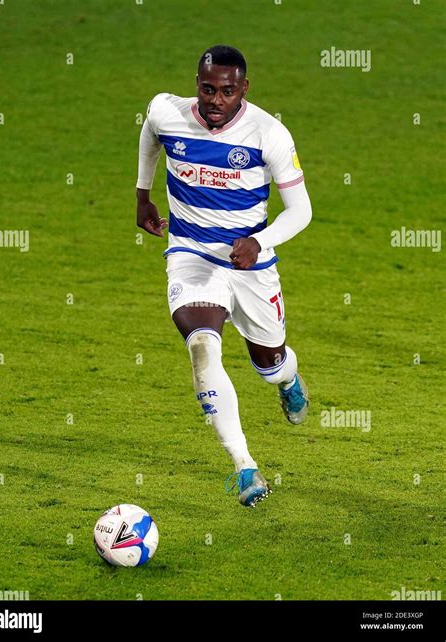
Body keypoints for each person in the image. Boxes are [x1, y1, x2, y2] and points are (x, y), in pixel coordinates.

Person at [136, 45, 312, 508]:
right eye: (208, 89)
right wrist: (143, 194)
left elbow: (302, 211)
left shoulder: (268, 135)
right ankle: (245, 466)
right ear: (197, 84)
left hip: (249, 264)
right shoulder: (165, 110)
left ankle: (289, 381)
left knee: (270, 363)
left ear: (244, 90)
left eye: (227, 91)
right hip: (190, 252)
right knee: (200, 345)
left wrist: (261, 242)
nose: (216, 100)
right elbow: (151, 134)